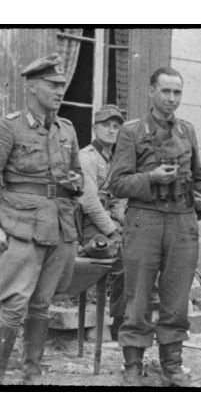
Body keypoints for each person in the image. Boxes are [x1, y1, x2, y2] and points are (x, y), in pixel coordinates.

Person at [0, 53, 83, 384]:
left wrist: (75, 184)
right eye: (53, 85)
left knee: (42, 306)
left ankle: (31, 377)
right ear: (33, 87)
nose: (59, 91)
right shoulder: (7, 127)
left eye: (62, 85)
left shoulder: (66, 129)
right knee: (13, 306)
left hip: (59, 227)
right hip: (22, 227)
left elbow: (77, 178)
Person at [108, 67, 201, 386]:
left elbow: (198, 178)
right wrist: (151, 179)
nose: (171, 98)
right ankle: (133, 367)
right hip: (145, 218)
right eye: (165, 91)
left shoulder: (188, 131)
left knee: (177, 296)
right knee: (137, 295)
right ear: (151, 92)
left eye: (177, 92)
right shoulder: (131, 131)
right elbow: (116, 183)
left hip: (182, 220)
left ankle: (172, 365)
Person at [78, 104, 126, 340]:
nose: (111, 130)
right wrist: (113, 231)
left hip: (109, 222)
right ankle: (96, 325)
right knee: (111, 262)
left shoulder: (114, 159)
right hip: (89, 226)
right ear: (95, 127)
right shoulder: (87, 157)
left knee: (131, 262)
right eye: (106, 125)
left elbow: (117, 196)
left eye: (116, 126)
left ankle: (119, 322)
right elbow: (89, 201)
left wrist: (122, 222)